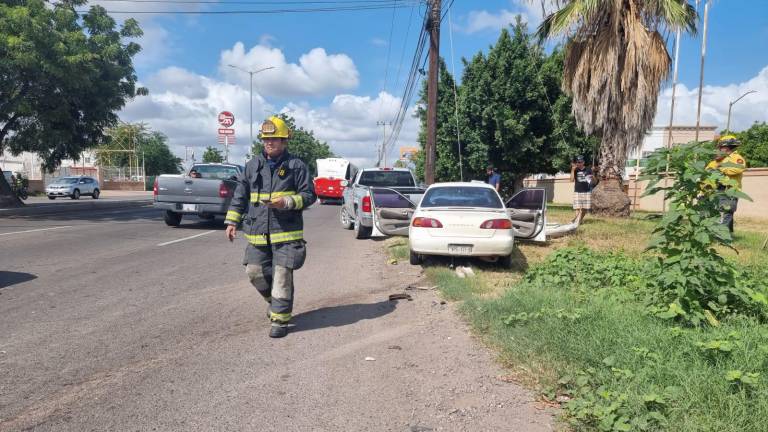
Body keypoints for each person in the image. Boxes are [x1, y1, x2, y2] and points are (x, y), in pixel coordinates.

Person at [224, 116, 317, 338]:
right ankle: (275, 302)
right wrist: (232, 221)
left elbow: (309, 195)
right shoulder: (252, 165)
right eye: (266, 139)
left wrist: (286, 202)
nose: (269, 143)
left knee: (282, 275)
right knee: (255, 273)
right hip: (257, 232)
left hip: (286, 232)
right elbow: (241, 194)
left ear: (285, 141)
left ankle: (280, 320)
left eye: (275, 139)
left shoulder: (296, 166)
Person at [706, 135, 747, 233]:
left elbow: (737, 169)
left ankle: (721, 237)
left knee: (727, 212)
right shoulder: (716, 160)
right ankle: (726, 235)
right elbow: (707, 173)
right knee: (717, 212)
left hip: (730, 190)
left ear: (727, 147)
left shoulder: (737, 158)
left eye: (720, 147)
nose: (718, 149)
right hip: (716, 190)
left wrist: (721, 168)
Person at [570, 155, 593, 225]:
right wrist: (572, 170)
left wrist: (593, 176)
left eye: (580, 162)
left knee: (585, 209)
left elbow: (593, 181)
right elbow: (571, 180)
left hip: (586, 191)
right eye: (578, 162)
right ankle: (577, 221)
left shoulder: (588, 169)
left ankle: (579, 220)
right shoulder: (575, 170)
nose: (579, 164)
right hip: (577, 191)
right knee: (577, 207)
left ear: (583, 162)